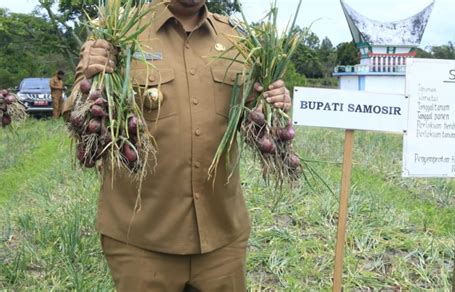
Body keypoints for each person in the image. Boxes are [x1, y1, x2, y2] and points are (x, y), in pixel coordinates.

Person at [63, 0, 291, 290]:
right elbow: (78, 117)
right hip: (141, 239)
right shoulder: (119, 32)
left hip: (222, 239)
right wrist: (89, 74)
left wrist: (276, 103)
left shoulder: (237, 39)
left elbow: (255, 122)